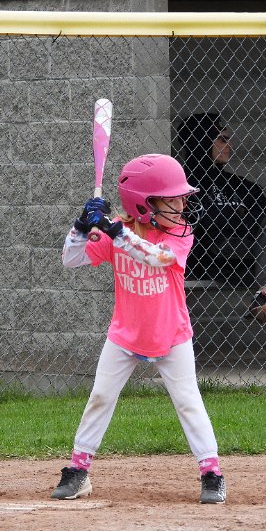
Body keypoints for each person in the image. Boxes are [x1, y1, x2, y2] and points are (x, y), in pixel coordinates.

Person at [51, 153, 226, 505]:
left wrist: (115, 232)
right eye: (171, 199)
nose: (181, 206)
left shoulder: (178, 234)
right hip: (125, 334)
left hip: (171, 334)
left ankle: (212, 474)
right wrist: (81, 226)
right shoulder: (116, 230)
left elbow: (155, 256)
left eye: (180, 198)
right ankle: (78, 471)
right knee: (100, 397)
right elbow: (71, 258)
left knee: (188, 402)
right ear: (144, 205)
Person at [177, 112, 266, 370]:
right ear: (201, 141)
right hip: (209, 260)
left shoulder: (242, 185)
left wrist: (232, 220)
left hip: (250, 263)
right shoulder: (183, 184)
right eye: (222, 139)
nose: (229, 145)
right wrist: (242, 218)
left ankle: (264, 293)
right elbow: (201, 227)